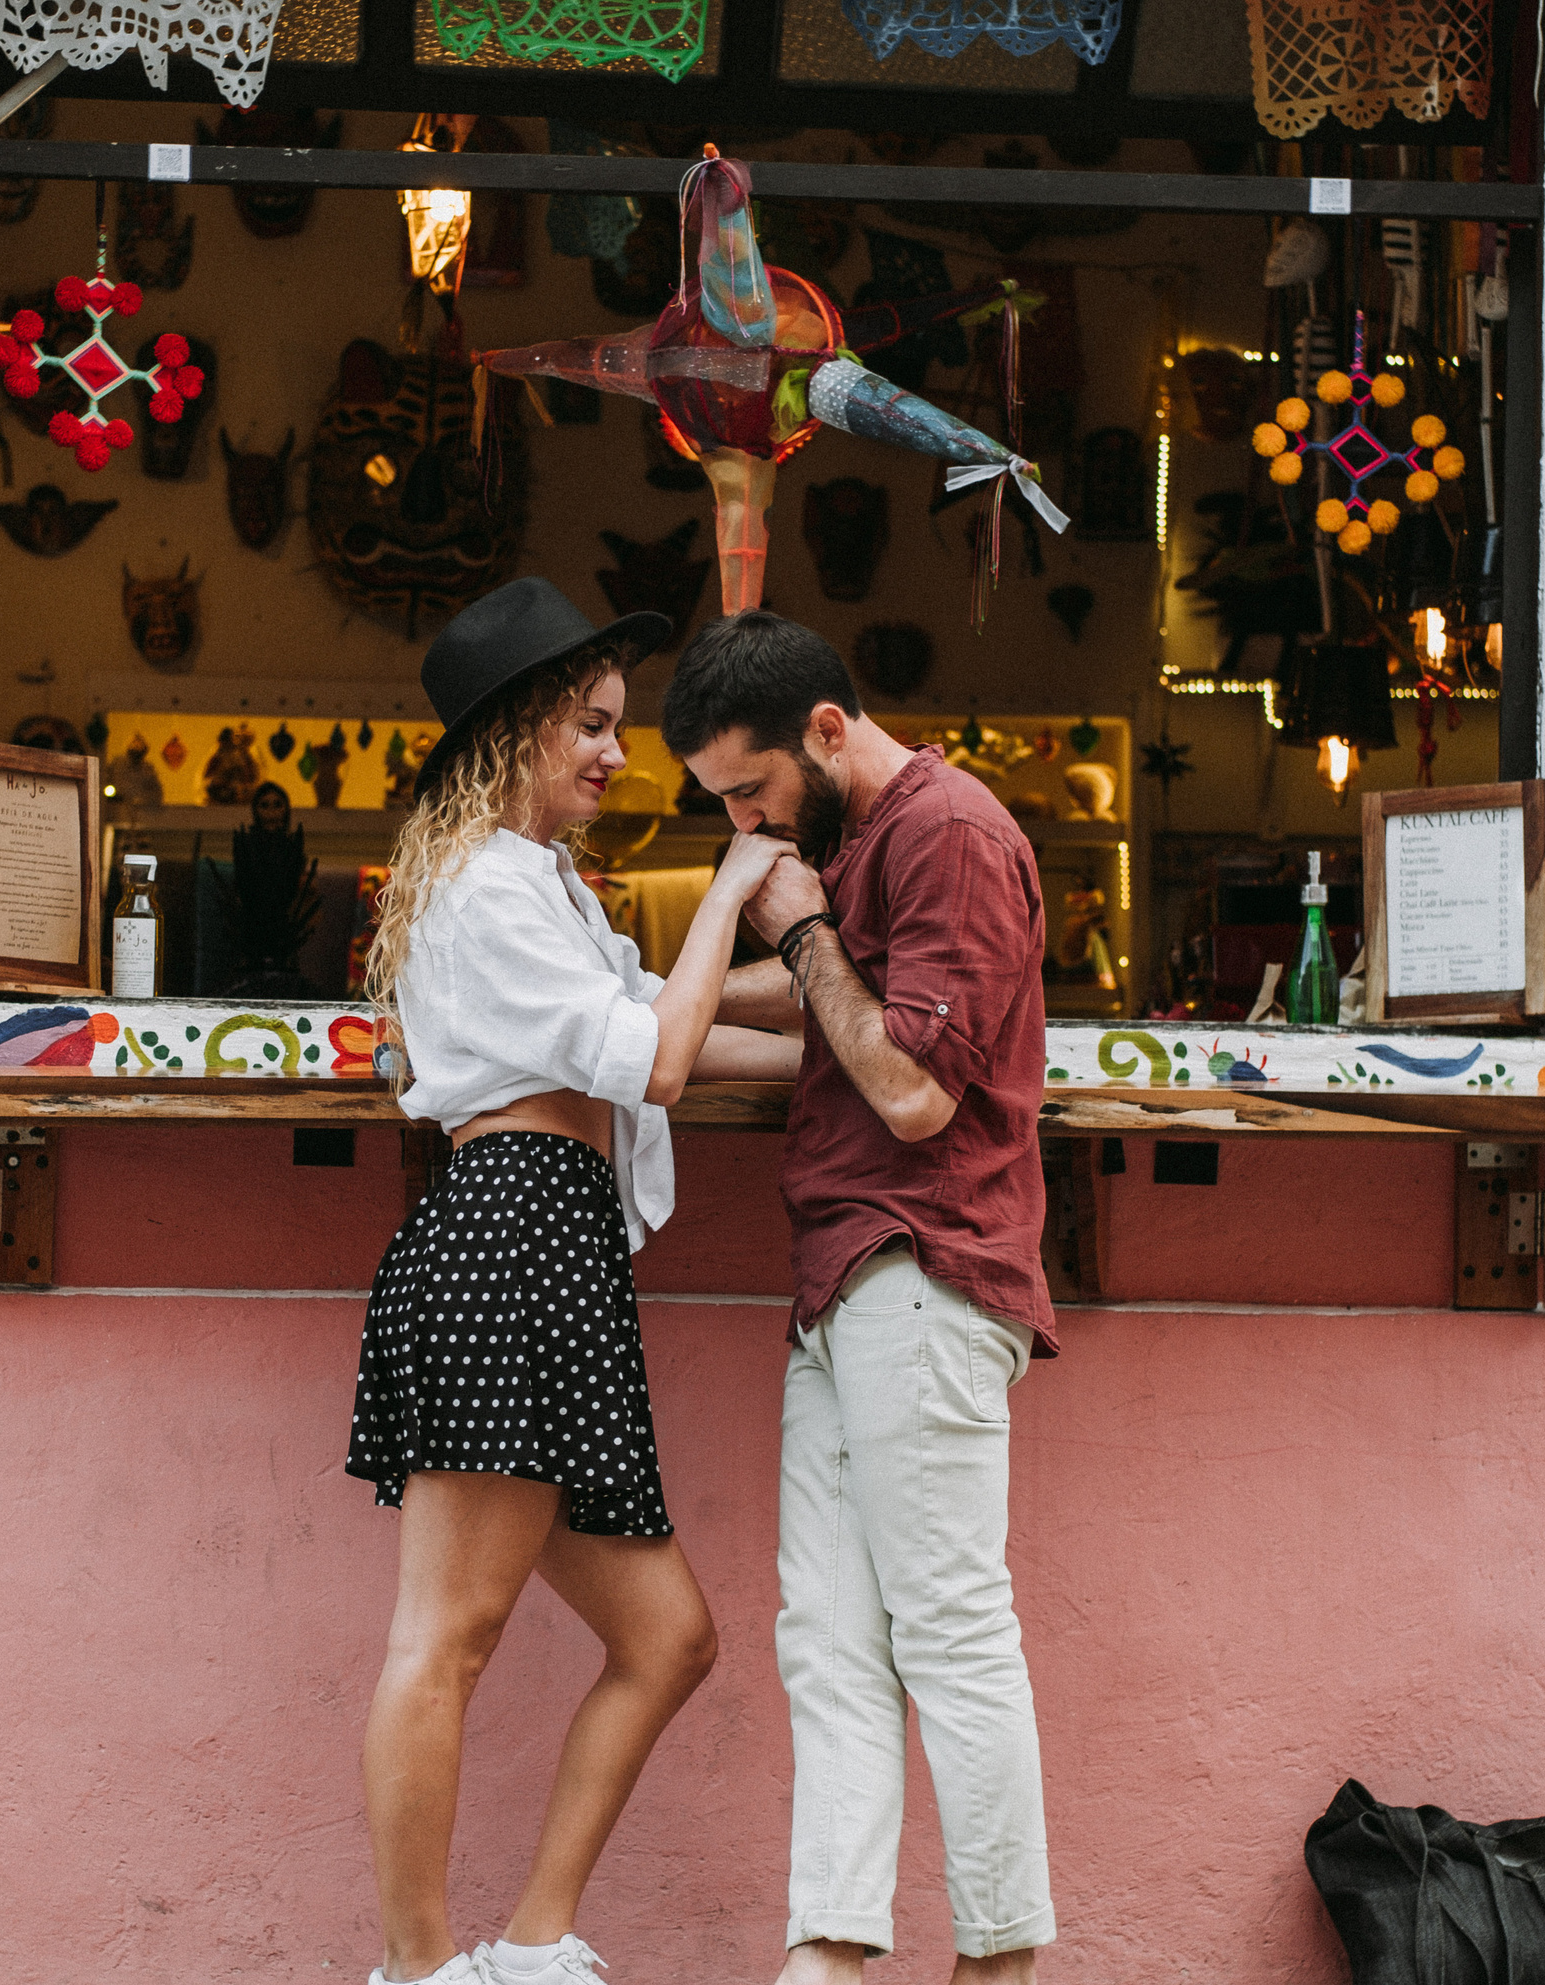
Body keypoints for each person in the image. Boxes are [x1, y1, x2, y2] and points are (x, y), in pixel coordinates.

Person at [349, 577, 802, 1985]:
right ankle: (422, 1974)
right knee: (447, 1636)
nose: (618, 752)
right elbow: (659, 1055)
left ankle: (532, 1952)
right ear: (515, 737)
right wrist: (735, 882)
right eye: (592, 727)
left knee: (667, 1637)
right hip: (506, 1241)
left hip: (552, 1249)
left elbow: (668, 1020)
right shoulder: (488, 884)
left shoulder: (534, 882)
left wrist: (856, 1040)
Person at [661, 610, 1059, 1985]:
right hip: (844, 1284)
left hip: (923, 1268)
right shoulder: (867, 846)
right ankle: (828, 1952)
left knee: (947, 1627)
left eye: (752, 792)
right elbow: (826, 1012)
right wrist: (654, 1020)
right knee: (827, 1644)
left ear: (826, 732)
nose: (746, 825)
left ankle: (999, 1960)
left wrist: (804, 923)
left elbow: (907, 1085)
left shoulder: (947, 833)